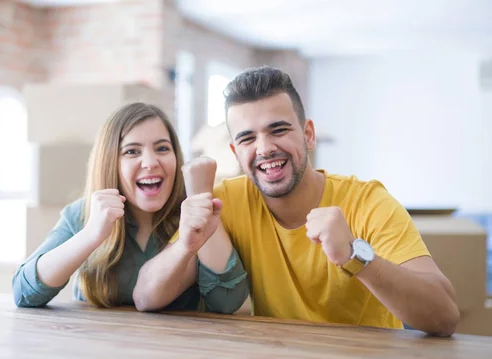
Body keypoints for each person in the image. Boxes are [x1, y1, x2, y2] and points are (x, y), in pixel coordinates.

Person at [154, 66, 460, 336]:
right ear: (236, 153)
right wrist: (185, 244)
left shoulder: (367, 201)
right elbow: (146, 295)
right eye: (248, 138)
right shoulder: (228, 202)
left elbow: (445, 316)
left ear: (308, 134)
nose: (264, 148)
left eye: (279, 129)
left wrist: (356, 255)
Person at [12, 102, 248, 313]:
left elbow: (227, 302)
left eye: (162, 148)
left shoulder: (192, 213)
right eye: (132, 151)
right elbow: (24, 293)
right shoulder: (84, 214)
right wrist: (91, 234)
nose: (150, 162)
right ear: (110, 163)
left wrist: (201, 198)